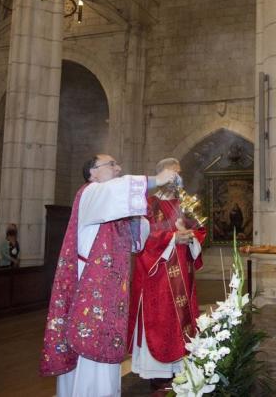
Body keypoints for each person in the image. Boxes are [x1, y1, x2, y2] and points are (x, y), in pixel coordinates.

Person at [39, 154, 177, 397]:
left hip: (110, 294)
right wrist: (159, 179)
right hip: (89, 294)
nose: (118, 168)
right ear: (92, 173)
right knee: (89, 350)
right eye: (111, 164)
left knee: (106, 354)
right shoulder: (90, 193)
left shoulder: (110, 208)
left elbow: (138, 240)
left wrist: (151, 222)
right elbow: (119, 191)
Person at [128, 158, 205, 393]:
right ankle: (158, 377)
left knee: (182, 322)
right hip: (157, 278)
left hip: (182, 276)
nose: (176, 179)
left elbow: (200, 231)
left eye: (179, 174)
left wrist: (191, 237)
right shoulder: (146, 205)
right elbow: (141, 239)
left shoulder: (186, 205)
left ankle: (180, 372)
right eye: (172, 174)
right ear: (159, 175)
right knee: (159, 321)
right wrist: (173, 238)